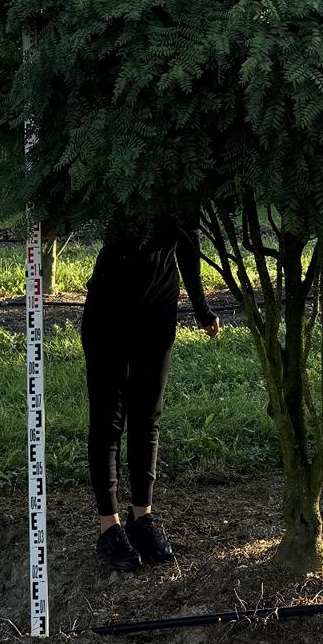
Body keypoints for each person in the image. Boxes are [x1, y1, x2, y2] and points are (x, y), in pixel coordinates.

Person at [82, 213, 220, 572]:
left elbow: (189, 246)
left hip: (158, 308)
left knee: (147, 414)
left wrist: (202, 310)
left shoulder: (180, 177)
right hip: (109, 306)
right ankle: (108, 526)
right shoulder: (119, 166)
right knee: (109, 418)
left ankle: (141, 517)